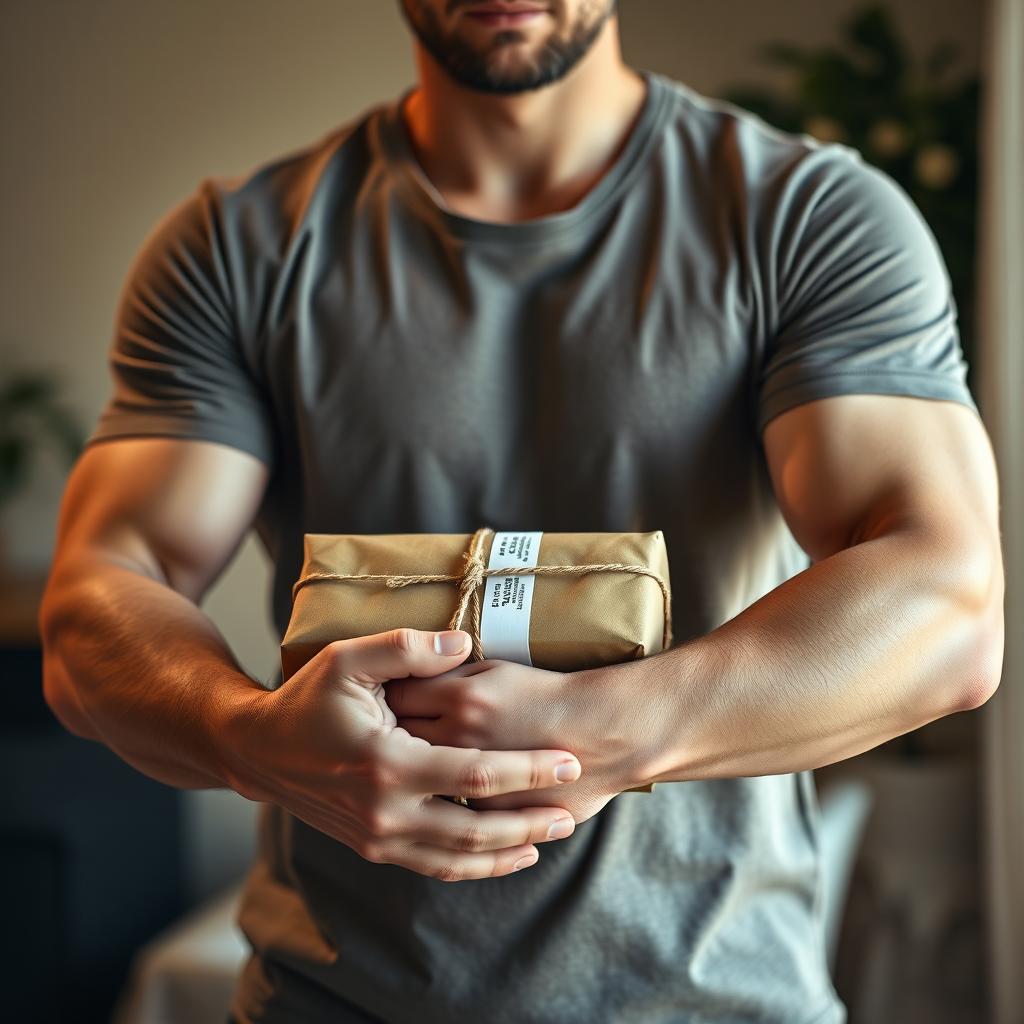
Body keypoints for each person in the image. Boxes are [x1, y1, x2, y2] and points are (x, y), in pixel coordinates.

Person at [40, 2, 1003, 1022]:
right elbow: (98, 597)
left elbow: (946, 603)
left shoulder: (807, 215)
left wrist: (599, 730)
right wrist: (246, 736)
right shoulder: (236, 248)